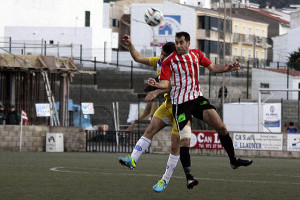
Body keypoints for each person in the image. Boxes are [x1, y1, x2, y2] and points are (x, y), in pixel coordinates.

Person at [148, 31, 253, 173]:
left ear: (188, 43)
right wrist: (156, 84)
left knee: (221, 127)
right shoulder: (168, 61)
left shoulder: (196, 54)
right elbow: (166, 84)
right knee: (184, 139)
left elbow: (213, 68)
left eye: (181, 42)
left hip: (197, 99)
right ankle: (189, 175)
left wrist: (227, 69)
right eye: (176, 42)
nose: (178, 45)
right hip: (181, 103)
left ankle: (233, 161)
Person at [118, 35, 198, 192]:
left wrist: (156, 92)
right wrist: (130, 45)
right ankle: (132, 159)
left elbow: (170, 86)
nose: (160, 56)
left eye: (163, 54)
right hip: (168, 105)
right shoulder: (161, 62)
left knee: (175, 146)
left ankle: (164, 180)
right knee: (150, 129)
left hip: (182, 108)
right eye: (161, 53)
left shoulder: (179, 66)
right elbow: (139, 58)